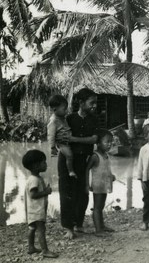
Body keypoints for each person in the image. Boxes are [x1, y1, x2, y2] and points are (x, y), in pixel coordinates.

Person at [57, 88, 99, 239]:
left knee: (83, 193)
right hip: (67, 161)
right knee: (67, 193)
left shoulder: (94, 119)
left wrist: (74, 139)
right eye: (91, 103)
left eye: (95, 103)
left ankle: (78, 224)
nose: (94, 106)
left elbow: (94, 139)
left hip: (83, 160)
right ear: (81, 103)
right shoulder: (69, 119)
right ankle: (68, 227)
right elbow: (60, 138)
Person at [23, 150, 58, 258]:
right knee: (41, 229)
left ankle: (31, 247)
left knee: (32, 228)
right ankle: (45, 250)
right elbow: (33, 194)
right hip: (37, 210)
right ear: (36, 166)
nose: (46, 164)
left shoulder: (34, 178)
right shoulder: (34, 180)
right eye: (43, 162)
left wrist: (45, 190)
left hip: (32, 210)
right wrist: (46, 192)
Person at [86, 129, 115, 237]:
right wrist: (87, 184)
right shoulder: (95, 156)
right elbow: (87, 169)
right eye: (107, 142)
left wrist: (111, 176)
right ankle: (98, 230)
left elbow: (105, 169)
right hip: (98, 185)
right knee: (97, 207)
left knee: (101, 206)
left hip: (104, 184)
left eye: (111, 142)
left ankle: (102, 226)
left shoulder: (106, 155)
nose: (109, 144)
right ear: (98, 143)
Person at [47, 95, 76, 178]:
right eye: (64, 109)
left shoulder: (62, 117)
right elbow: (51, 135)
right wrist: (52, 147)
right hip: (62, 143)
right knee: (69, 155)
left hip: (67, 141)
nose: (66, 111)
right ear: (54, 109)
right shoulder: (53, 121)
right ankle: (70, 171)